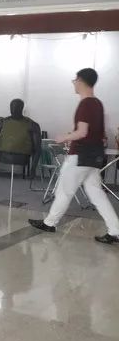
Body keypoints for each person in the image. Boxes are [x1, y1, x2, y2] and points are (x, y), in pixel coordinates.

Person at [29, 68, 119, 245]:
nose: (74, 83)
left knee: (64, 190)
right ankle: (115, 230)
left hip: (80, 155)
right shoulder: (98, 104)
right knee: (96, 193)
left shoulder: (85, 104)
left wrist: (64, 137)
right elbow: (98, 134)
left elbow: (82, 132)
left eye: (75, 80)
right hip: (94, 156)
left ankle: (50, 223)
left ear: (81, 81)